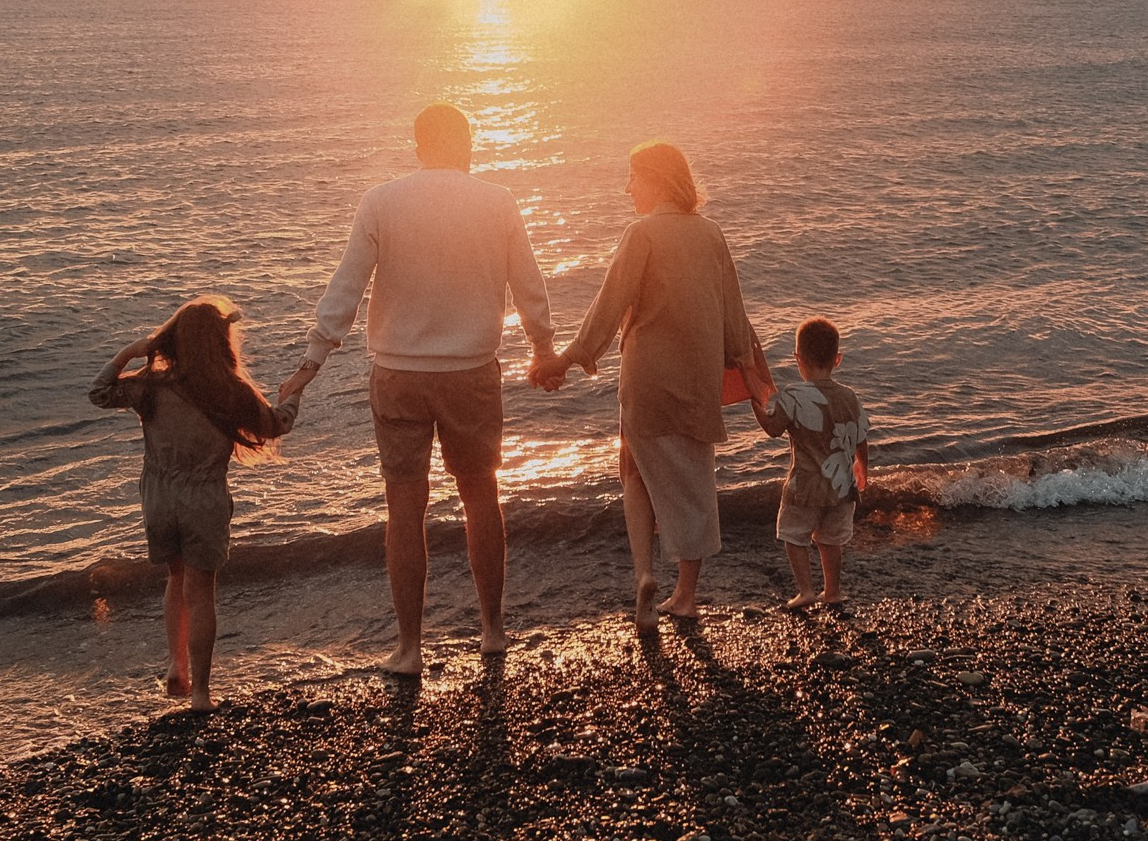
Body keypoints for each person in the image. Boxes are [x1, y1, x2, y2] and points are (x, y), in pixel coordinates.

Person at [285, 103, 555, 675]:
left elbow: (348, 285)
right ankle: (492, 630)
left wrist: (312, 360)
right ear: (467, 143)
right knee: (481, 494)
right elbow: (527, 283)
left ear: (417, 145)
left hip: (399, 375)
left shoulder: (382, 201)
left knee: (404, 505)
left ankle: (410, 648)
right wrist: (542, 347)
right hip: (471, 371)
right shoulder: (497, 201)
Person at [547, 141, 771, 628]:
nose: (627, 188)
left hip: (646, 377)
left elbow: (610, 303)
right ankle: (685, 595)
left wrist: (573, 356)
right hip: (696, 378)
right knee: (692, 481)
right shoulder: (711, 234)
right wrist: (749, 369)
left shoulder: (640, 233)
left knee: (634, 470)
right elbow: (734, 316)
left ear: (656, 179)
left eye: (633, 177)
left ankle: (645, 574)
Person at [91, 294, 304, 707]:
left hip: (158, 497)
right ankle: (201, 694)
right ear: (221, 343)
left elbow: (99, 392)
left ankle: (177, 667)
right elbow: (277, 425)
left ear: (176, 340)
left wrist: (129, 352)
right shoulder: (230, 392)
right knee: (201, 589)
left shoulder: (152, 387)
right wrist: (292, 394)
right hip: (203, 498)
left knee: (175, 577)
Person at [758, 315, 871, 608]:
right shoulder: (850, 397)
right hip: (842, 486)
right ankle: (832, 591)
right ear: (837, 359)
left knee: (794, 536)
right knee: (830, 540)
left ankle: (806, 590)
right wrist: (862, 467)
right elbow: (861, 438)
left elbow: (772, 429)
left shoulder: (794, 395)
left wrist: (755, 404)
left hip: (804, 487)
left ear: (798, 359)